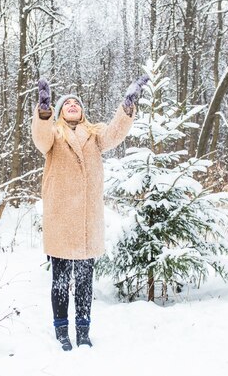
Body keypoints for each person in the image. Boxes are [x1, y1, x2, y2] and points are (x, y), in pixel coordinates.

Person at [31, 75, 149, 351]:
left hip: (87, 220)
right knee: (60, 280)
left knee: (84, 280)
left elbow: (115, 134)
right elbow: (40, 138)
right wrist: (44, 111)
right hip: (61, 218)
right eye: (66, 103)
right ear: (60, 111)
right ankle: (61, 330)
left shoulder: (95, 134)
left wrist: (127, 106)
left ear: (83, 111)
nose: (72, 105)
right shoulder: (54, 134)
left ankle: (83, 329)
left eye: (76, 103)